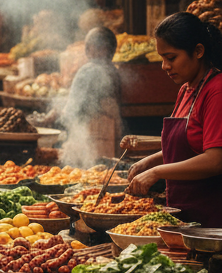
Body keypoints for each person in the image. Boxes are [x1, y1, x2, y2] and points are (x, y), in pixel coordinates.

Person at [125, 12, 222, 226]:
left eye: (171, 58)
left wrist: (157, 172)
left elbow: (215, 160)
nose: (164, 66)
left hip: (210, 220)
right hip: (182, 215)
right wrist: (149, 161)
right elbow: (187, 146)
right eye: (162, 58)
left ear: (198, 51)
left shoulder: (216, 90)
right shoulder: (185, 90)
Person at [56, 26, 122, 163]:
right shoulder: (114, 71)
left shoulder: (87, 70)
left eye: (88, 46)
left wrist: (59, 119)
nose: (86, 50)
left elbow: (71, 110)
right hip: (111, 137)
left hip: (87, 137)